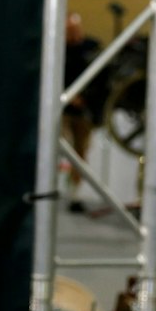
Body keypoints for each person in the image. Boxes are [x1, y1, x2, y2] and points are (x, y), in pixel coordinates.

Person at [61, 12, 105, 212]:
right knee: (64, 149)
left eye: (74, 29)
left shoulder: (90, 49)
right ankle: (58, 187)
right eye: (68, 29)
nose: (72, 32)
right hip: (62, 110)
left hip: (83, 111)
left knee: (81, 153)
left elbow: (100, 79)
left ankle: (75, 194)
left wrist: (84, 98)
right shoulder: (58, 50)